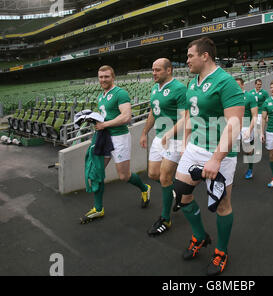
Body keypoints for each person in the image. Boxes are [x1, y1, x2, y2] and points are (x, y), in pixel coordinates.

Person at [174, 37, 245, 276]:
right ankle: (199, 236)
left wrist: (216, 158)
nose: (187, 61)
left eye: (190, 56)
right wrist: (184, 142)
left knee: (222, 204)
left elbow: (234, 123)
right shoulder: (192, 83)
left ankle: (221, 252)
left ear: (205, 56)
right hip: (195, 147)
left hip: (220, 152)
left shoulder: (226, 82)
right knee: (181, 193)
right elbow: (189, 116)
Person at [80, 65, 151, 224]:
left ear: (113, 77)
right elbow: (105, 116)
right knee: (96, 172)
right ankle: (98, 209)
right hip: (104, 137)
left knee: (124, 176)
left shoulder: (120, 93)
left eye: (106, 76)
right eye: (100, 77)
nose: (103, 79)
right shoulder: (101, 96)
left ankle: (145, 189)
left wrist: (105, 124)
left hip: (119, 138)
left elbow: (126, 117)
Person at [140, 58, 187, 236]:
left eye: (158, 70)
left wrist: (170, 133)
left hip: (174, 139)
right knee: (153, 174)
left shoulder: (180, 88)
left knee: (165, 176)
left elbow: (185, 117)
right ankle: (177, 190)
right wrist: (144, 132)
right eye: (153, 70)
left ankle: (165, 219)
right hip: (159, 138)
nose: (154, 73)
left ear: (169, 70)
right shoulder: (154, 88)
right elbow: (153, 112)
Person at [235, 78, 258, 180]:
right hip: (234, 126)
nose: (236, 87)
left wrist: (249, 129)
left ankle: (250, 169)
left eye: (238, 85)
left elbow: (255, 115)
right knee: (231, 150)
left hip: (246, 127)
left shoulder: (250, 96)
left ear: (243, 85)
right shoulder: (231, 97)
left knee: (247, 150)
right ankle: (229, 171)